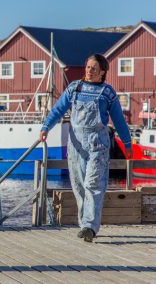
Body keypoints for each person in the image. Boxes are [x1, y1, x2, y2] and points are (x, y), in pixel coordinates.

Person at [39, 54, 133, 242]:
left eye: (94, 68)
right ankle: (84, 225)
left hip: (97, 144)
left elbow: (119, 120)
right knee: (79, 185)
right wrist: (45, 127)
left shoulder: (108, 93)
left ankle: (90, 226)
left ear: (103, 72)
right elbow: (58, 110)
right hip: (75, 145)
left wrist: (128, 143)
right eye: (88, 67)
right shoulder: (74, 88)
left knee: (93, 184)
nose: (89, 71)